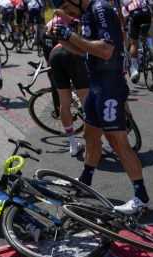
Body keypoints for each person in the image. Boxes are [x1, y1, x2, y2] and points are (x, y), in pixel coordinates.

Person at [51, 0, 150, 215]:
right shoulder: (87, 13)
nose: (68, 13)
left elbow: (105, 51)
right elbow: (84, 50)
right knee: (90, 135)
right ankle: (85, 182)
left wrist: (69, 35)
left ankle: (141, 196)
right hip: (96, 84)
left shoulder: (100, 9)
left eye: (68, 9)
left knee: (117, 142)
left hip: (109, 85)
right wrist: (61, 38)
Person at [45, 14, 89, 157]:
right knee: (86, 100)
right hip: (72, 51)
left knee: (64, 103)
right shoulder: (74, 14)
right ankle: (91, 143)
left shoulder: (50, 22)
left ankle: (72, 144)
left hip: (54, 54)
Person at [121, 0, 152, 83]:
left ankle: (134, 68)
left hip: (135, 17)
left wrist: (124, 27)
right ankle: (151, 51)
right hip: (147, 15)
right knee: (146, 34)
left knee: (134, 43)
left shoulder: (125, 2)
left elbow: (125, 18)